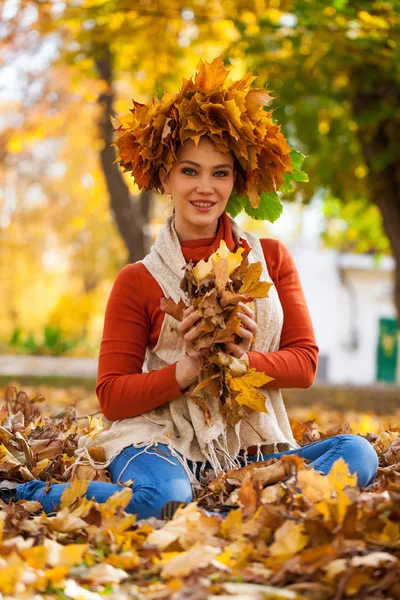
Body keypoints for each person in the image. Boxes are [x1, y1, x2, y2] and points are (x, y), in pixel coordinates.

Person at [0, 57, 378, 518]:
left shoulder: (271, 259)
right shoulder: (138, 279)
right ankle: (29, 494)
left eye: (220, 173)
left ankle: (216, 511)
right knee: (164, 497)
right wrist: (187, 369)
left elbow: (304, 364)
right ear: (165, 177)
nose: (206, 187)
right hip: (157, 439)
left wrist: (242, 362)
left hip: (243, 448)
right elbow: (112, 396)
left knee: (358, 454)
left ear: (235, 180)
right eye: (189, 170)